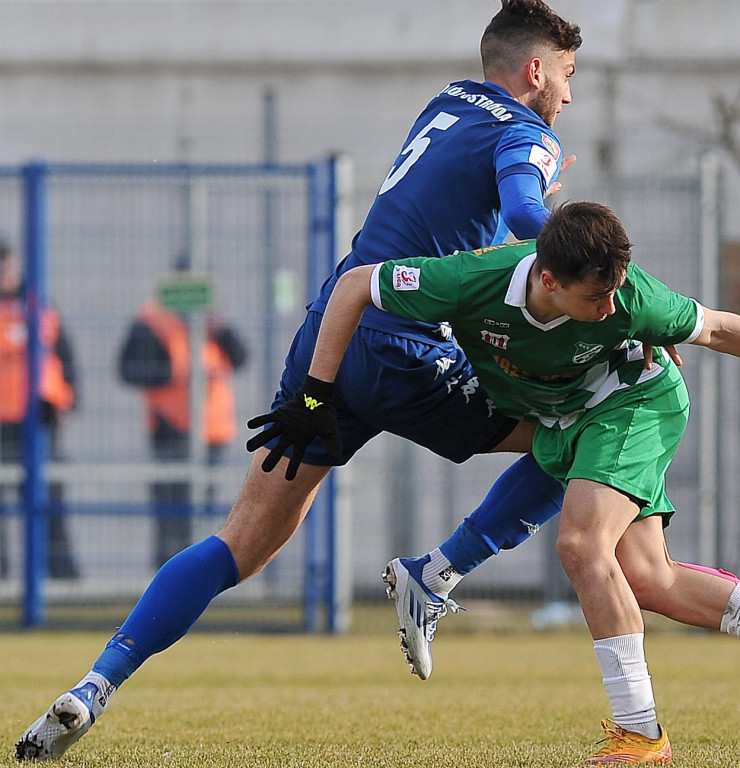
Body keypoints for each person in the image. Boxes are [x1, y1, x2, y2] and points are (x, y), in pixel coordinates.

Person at [15, 0, 583, 759]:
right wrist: (574, 236)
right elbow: (519, 213)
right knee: (576, 435)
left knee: (241, 540)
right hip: (403, 345)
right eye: (569, 76)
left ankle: (96, 682)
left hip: (331, 334)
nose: (570, 97)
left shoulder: (448, 101)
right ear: (536, 69)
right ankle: (436, 574)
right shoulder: (527, 131)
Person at [250, 201, 740, 763]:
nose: (613, 307)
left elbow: (718, 326)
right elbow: (356, 284)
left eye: (617, 293)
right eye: (597, 297)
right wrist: (314, 395)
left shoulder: (630, 297)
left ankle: (640, 735)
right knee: (649, 580)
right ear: (549, 280)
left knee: (580, 546)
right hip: (566, 421)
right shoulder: (472, 283)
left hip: (634, 405)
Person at [117, 261, 249, 567]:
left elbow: (241, 356)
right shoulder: (151, 319)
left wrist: (222, 327)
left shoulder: (214, 321)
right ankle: (167, 572)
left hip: (212, 430)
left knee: (204, 507)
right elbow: (128, 368)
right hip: (170, 427)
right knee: (172, 507)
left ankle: (196, 572)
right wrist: (168, 374)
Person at [0, 238, 80, 581]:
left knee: (49, 502)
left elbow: (64, 359)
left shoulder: (40, 306)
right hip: (4, 421)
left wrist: (66, 401)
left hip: (38, 421)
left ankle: (62, 581)